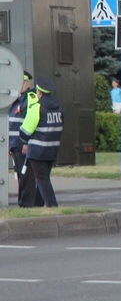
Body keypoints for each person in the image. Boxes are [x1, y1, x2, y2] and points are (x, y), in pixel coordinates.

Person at [17, 75, 62, 208]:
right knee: (43, 178)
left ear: (39, 92)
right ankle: (36, 206)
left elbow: (25, 130)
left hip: (37, 150)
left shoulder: (37, 107)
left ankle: (52, 205)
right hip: (52, 150)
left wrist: (24, 141)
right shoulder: (58, 107)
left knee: (42, 179)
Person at [8, 71, 36, 200]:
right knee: (20, 175)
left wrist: (27, 142)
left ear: (26, 83)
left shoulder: (29, 98)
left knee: (26, 176)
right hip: (15, 144)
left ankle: (27, 202)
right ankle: (23, 201)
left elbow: (32, 121)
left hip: (23, 144)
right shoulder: (16, 100)